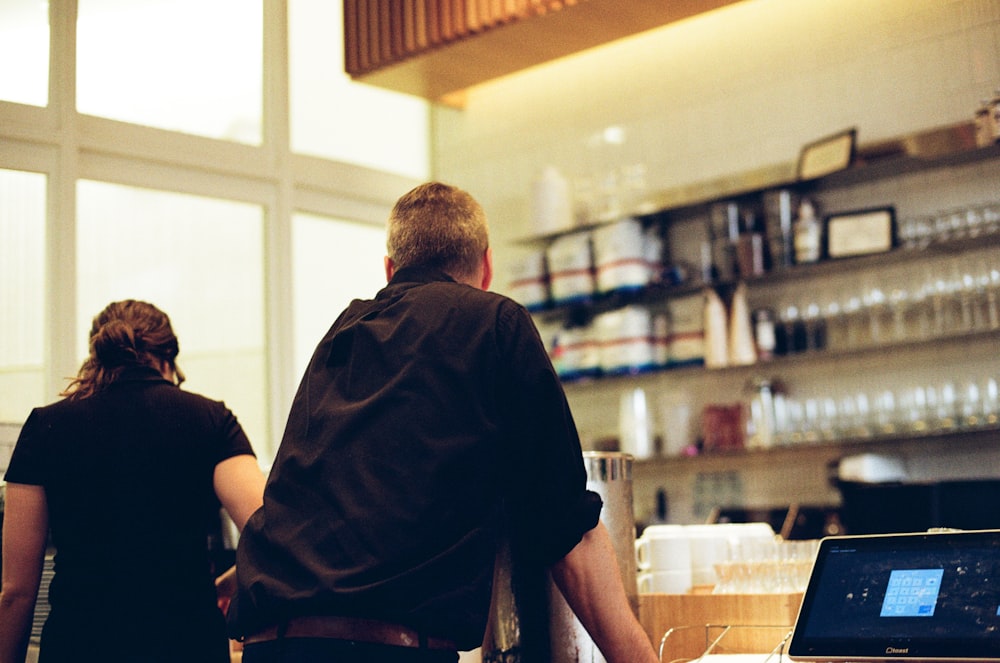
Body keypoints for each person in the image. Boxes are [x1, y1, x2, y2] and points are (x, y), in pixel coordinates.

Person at [226, 182, 658, 663]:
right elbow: (568, 531)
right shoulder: (496, 321)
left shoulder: (342, 333)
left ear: (390, 270)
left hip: (271, 646)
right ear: (487, 266)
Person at [0, 300, 266, 663]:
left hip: (80, 646)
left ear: (97, 356)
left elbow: (16, 592)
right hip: (186, 646)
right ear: (168, 359)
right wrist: (228, 582)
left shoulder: (46, 426)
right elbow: (270, 535)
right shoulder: (211, 419)